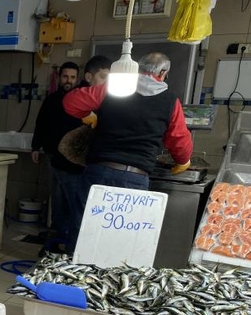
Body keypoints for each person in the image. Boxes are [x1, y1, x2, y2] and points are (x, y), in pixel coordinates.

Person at [62, 52, 193, 248]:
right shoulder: (170, 101)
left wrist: (88, 114)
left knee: (85, 231)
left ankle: (74, 275)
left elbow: (70, 102)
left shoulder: (113, 89)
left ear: (138, 69)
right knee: (121, 240)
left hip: (99, 172)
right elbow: (179, 139)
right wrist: (183, 161)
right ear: (164, 72)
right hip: (135, 178)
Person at [30, 61, 83, 253]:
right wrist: (35, 147)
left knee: (73, 200)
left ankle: (70, 243)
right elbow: (40, 124)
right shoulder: (51, 100)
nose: (68, 80)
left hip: (75, 161)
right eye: (65, 76)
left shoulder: (83, 100)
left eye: (72, 77)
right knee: (57, 198)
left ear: (78, 79)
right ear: (60, 77)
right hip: (53, 155)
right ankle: (58, 239)